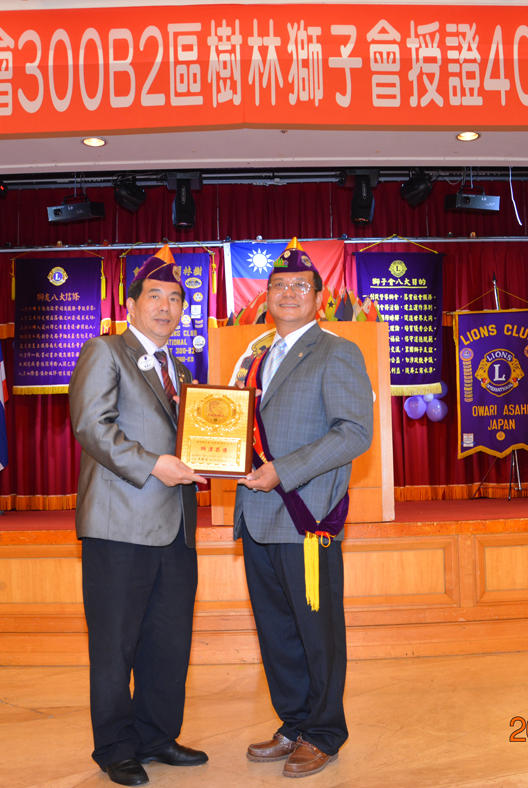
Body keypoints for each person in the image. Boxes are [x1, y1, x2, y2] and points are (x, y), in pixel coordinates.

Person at [69, 249, 208, 786]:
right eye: (155, 296)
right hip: (119, 524)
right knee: (115, 643)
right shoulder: (106, 351)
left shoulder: (181, 370)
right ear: (131, 304)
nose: (166, 307)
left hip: (176, 527)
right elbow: (92, 425)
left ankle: (157, 736)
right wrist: (154, 464)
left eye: (175, 299)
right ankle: (115, 747)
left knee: (168, 641)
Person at [234, 244, 374, 778]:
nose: (288, 293)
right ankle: (293, 723)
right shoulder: (258, 357)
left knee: (317, 632)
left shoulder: (336, 351)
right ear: (265, 297)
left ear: (319, 298)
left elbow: (354, 433)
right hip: (257, 515)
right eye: (278, 286)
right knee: (276, 632)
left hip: (306, 517)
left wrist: (284, 471)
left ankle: (323, 732)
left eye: (300, 286)